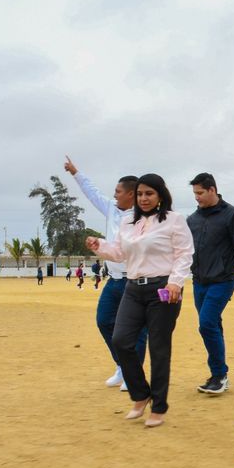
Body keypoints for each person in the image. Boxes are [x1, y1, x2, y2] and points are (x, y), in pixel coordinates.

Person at [86, 173, 195, 428]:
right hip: (133, 288)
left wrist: (175, 282)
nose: (144, 198)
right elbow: (119, 252)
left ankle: (158, 407)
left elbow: (184, 254)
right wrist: (99, 245)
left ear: (160, 195)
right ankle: (140, 393)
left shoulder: (174, 220)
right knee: (120, 340)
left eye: (149, 193)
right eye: (140, 194)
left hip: (163, 289)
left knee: (158, 348)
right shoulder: (128, 222)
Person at [66, 157, 149, 391]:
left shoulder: (143, 217)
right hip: (114, 281)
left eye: (118, 192)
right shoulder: (112, 208)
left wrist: (102, 245)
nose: (114, 195)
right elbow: (92, 193)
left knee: (137, 330)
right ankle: (122, 365)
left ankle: (134, 374)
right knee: (104, 321)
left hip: (134, 281)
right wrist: (75, 172)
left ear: (131, 194)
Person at [187, 173, 234, 395]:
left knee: (206, 323)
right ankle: (218, 375)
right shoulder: (192, 220)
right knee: (212, 325)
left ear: (212, 190)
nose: (196, 197)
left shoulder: (232, 215)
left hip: (222, 280)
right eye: (194, 193)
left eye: (200, 193)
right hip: (198, 281)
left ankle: (219, 374)